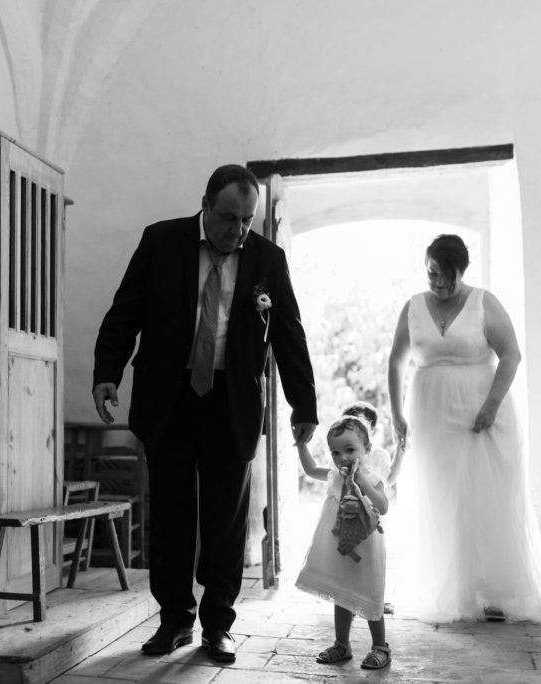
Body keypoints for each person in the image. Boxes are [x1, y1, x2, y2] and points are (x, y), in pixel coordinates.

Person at [92, 164, 318, 663]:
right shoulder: (161, 241)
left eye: (247, 220)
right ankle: (174, 620)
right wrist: (106, 370)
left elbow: (288, 333)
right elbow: (124, 311)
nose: (237, 230)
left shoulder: (267, 259)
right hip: (168, 399)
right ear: (205, 204)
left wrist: (304, 403)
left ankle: (218, 624)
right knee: (172, 516)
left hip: (231, 402)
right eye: (228, 218)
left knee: (225, 521)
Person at [387, 233, 541, 623]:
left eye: (447, 277)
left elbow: (511, 355)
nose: (439, 284)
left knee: (486, 497)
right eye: (433, 274)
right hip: (430, 416)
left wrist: (491, 406)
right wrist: (397, 414)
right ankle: (451, 591)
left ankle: (497, 592)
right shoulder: (413, 307)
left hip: (483, 414)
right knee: (443, 499)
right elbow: (397, 362)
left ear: (462, 271)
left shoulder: (484, 302)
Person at [294, 416, 391, 670]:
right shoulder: (336, 476)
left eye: (350, 450)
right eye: (336, 452)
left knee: (371, 594)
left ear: (367, 450)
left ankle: (380, 646)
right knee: (341, 593)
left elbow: (383, 506)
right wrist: (301, 445)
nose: (343, 458)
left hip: (366, 548)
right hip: (339, 547)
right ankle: (342, 644)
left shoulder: (372, 477)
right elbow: (311, 470)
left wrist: (364, 484)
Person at [341, 401, 402, 615]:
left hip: (373, 515)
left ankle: (377, 598)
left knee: (374, 560)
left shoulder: (379, 455)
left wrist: (400, 452)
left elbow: (390, 478)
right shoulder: (345, 454)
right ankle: (349, 598)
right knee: (351, 558)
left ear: (372, 430)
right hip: (350, 514)